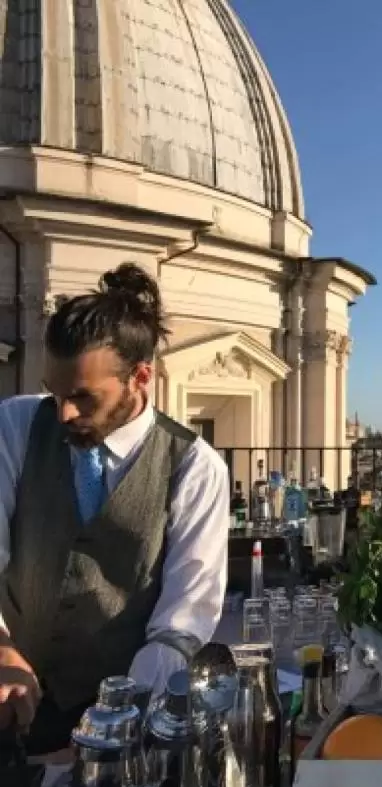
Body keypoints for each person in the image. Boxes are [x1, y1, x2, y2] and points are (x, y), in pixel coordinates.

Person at [0, 263, 229, 755]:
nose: (63, 413)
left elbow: (184, 616)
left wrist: (114, 720)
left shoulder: (195, 466)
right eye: (57, 392)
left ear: (140, 377)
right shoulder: (15, 426)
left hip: (126, 723)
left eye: (83, 398)